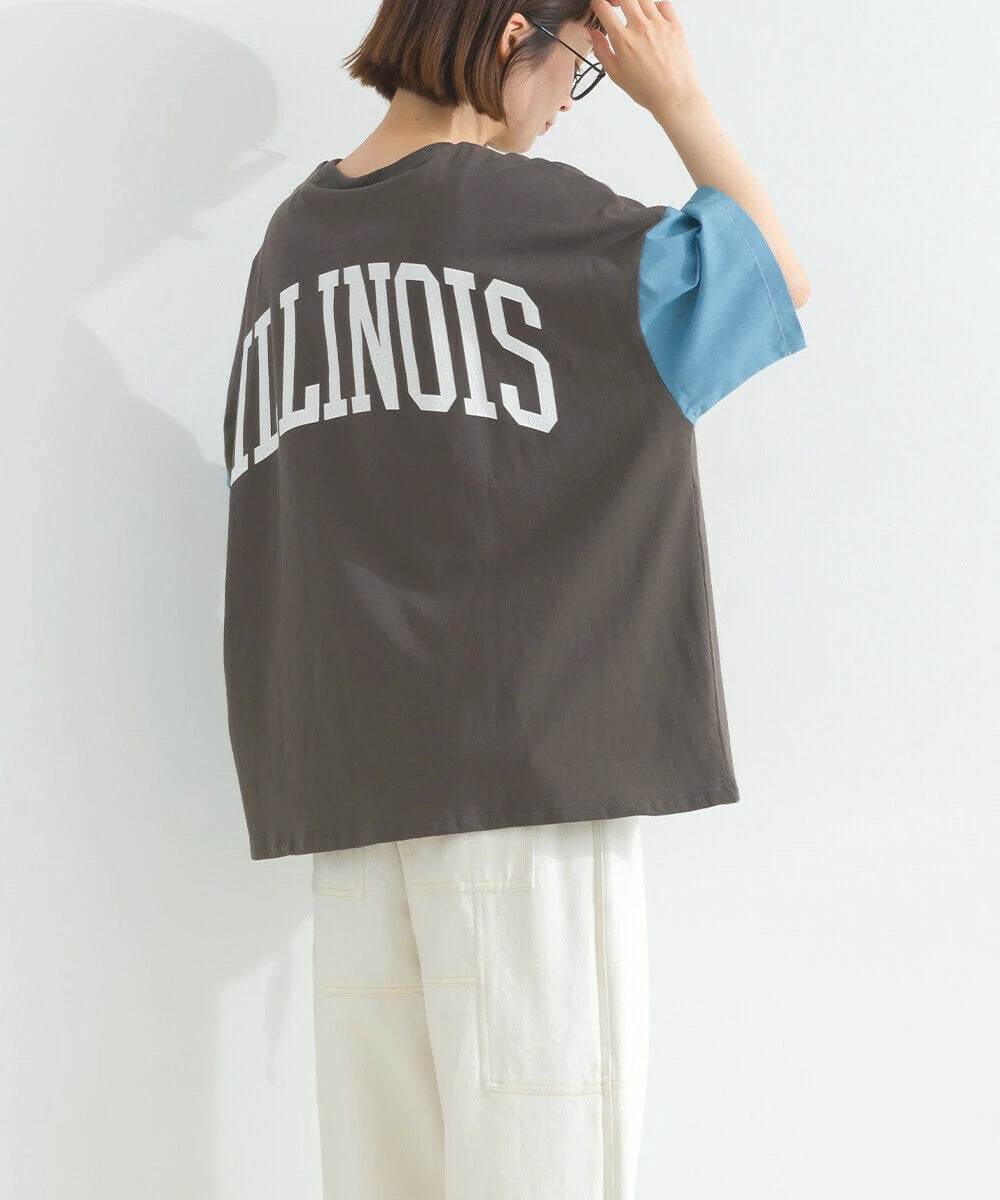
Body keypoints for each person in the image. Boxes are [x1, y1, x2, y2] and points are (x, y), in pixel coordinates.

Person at [221, 1, 810, 1195]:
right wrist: (676, 97)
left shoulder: (292, 244)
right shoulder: (526, 215)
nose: (562, 109)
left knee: (386, 1177)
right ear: (508, 37)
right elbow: (771, 275)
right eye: (576, 70)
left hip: (354, 804)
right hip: (523, 785)